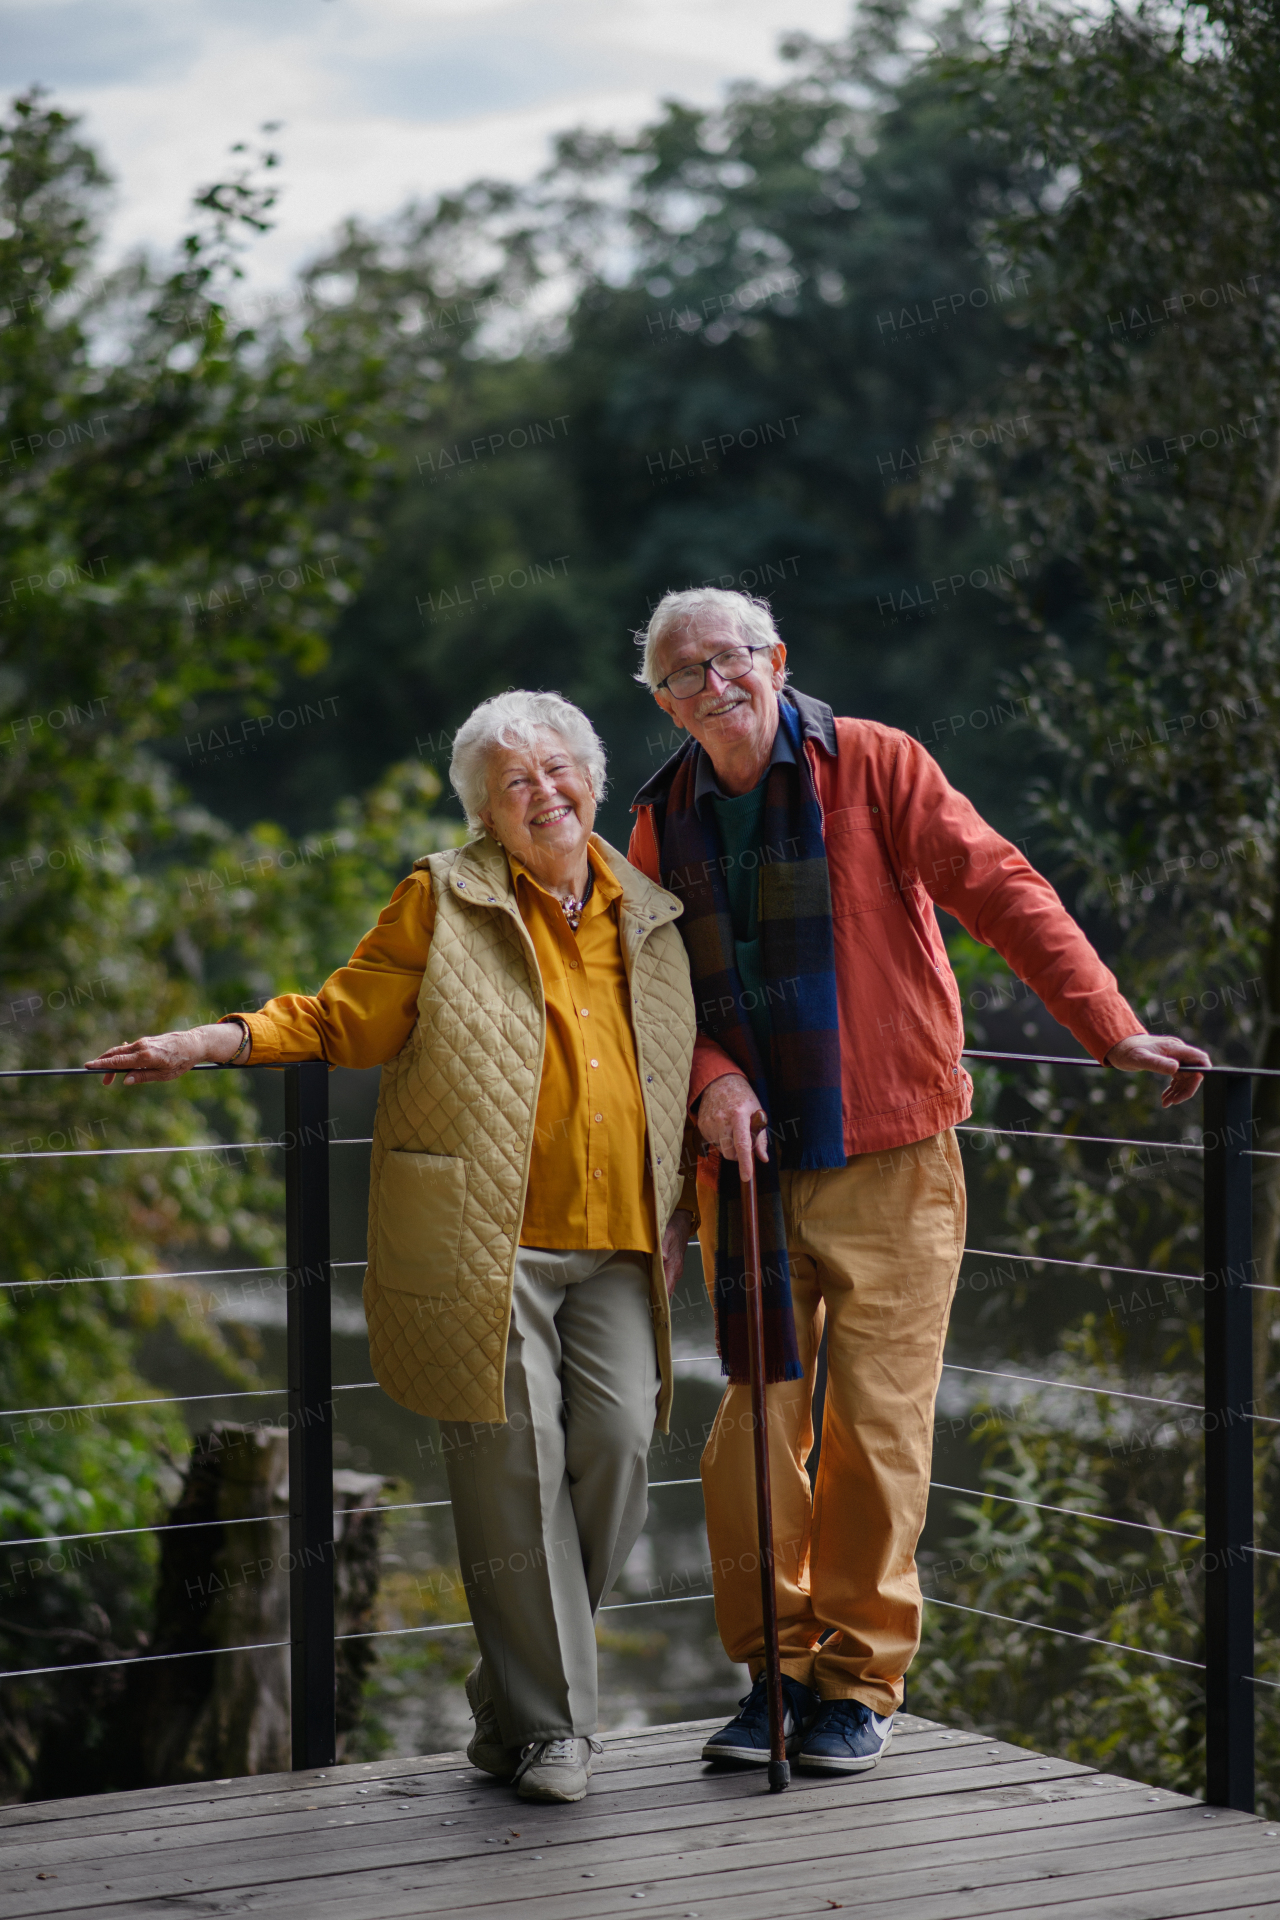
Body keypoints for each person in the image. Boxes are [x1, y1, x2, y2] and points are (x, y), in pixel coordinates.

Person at [627, 587, 1209, 1776]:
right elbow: (647, 994)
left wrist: (1109, 1027)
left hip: (891, 1148)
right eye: (681, 674)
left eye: (726, 659)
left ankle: (855, 1684)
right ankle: (772, 1677)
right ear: (662, 702)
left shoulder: (876, 765)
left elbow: (999, 886)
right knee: (750, 1427)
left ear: (774, 659)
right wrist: (708, 1081)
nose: (710, 684)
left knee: (879, 1431)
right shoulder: (657, 821)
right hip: (745, 1166)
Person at [87, 689, 698, 1806]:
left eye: (557, 770)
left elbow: (681, 1064)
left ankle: (505, 1698)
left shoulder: (648, 914)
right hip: (486, 1244)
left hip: (619, 1244)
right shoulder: (441, 898)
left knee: (613, 1457)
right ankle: (557, 1732)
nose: (542, 793)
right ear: (483, 812)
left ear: (593, 778)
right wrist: (214, 1041)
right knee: (512, 1471)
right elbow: (340, 1018)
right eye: (514, 784)